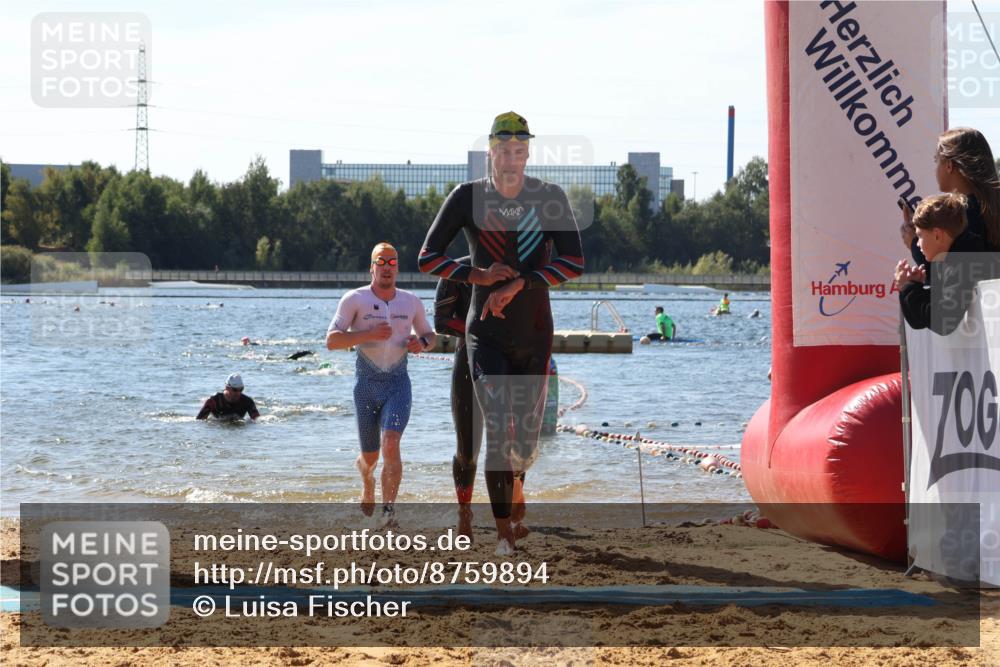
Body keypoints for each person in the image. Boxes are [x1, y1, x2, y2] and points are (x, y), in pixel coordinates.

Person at [419, 111, 585, 555]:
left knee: (523, 445)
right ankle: (500, 534)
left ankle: (512, 501)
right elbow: (428, 258)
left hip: (534, 334)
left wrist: (518, 283)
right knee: (490, 432)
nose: (510, 159)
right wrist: (478, 276)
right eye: (502, 150)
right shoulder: (467, 197)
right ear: (490, 152)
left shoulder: (549, 198)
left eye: (519, 151)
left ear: (527, 153)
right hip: (484, 335)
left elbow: (574, 262)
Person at [326, 242, 435, 526]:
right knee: (371, 457)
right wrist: (367, 334)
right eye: (381, 262)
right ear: (371, 267)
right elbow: (332, 340)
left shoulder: (411, 301)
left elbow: (429, 335)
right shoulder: (354, 299)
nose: (386, 268)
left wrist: (420, 343)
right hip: (366, 385)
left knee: (391, 443)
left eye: (392, 263)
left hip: (398, 384)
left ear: (398, 267)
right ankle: (367, 480)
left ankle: (388, 512)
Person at [894, 193, 997, 334]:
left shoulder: (964, 263)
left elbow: (943, 322)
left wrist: (908, 288)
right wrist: (912, 286)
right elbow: (921, 320)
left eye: (919, 236)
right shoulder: (958, 258)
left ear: (937, 235)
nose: (917, 244)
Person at [901, 127, 1000, 264]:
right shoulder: (990, 206)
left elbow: (954, 275)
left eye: (937, 161)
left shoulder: (962, 213)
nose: (935, 169)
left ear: (949, 166)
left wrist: (914, 242)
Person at [433, 259, 479, 537]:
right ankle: (464, 511)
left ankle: (513, 508)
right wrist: (479, 328)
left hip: (510, 361)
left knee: (513, 445)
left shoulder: (518, 270)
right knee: (467, 449)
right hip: (468, 360)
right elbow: (441, 321)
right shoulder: (457, 271)